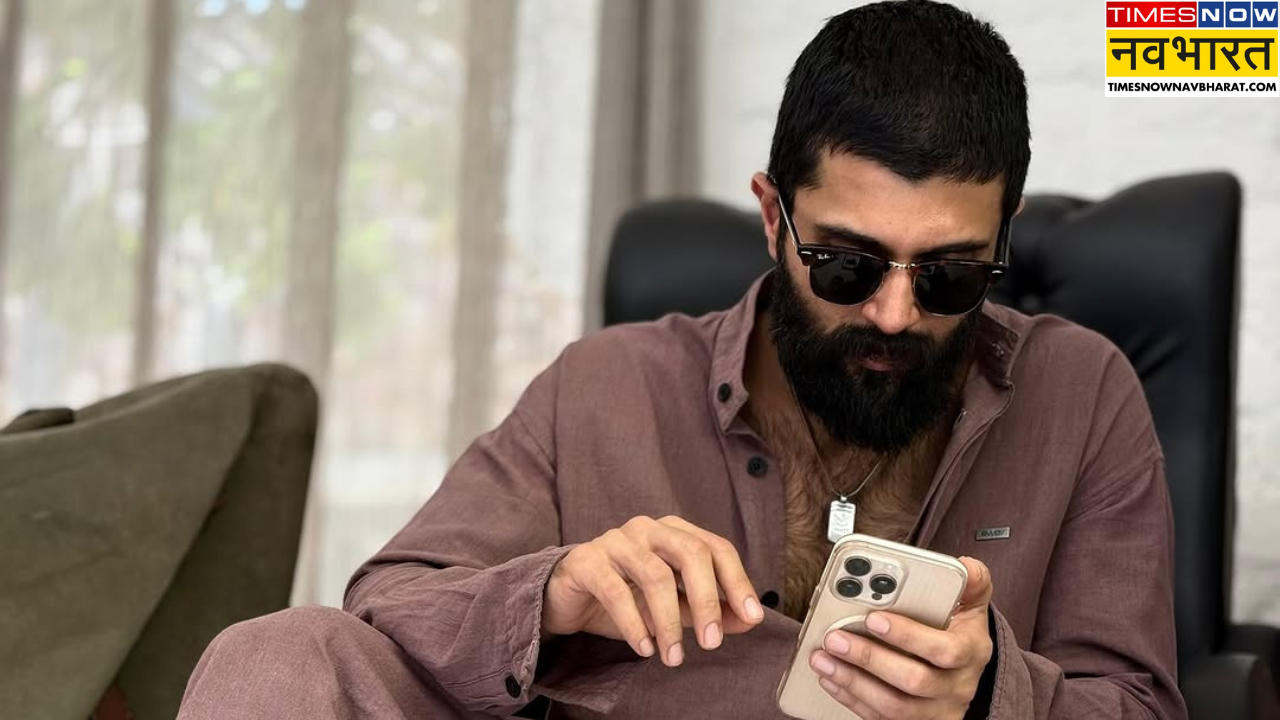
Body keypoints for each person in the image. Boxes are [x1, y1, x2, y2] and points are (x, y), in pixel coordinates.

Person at [177, 2, 1185, 718]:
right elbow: (390, 600)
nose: (893, 313)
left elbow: (1138, 704)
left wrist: (986, 690)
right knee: (278, 653)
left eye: (950, 275)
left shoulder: (1081, 392)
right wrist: (555, 591)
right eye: (844, 265)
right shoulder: (604, 387)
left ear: (1002, 236)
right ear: (771, 216)